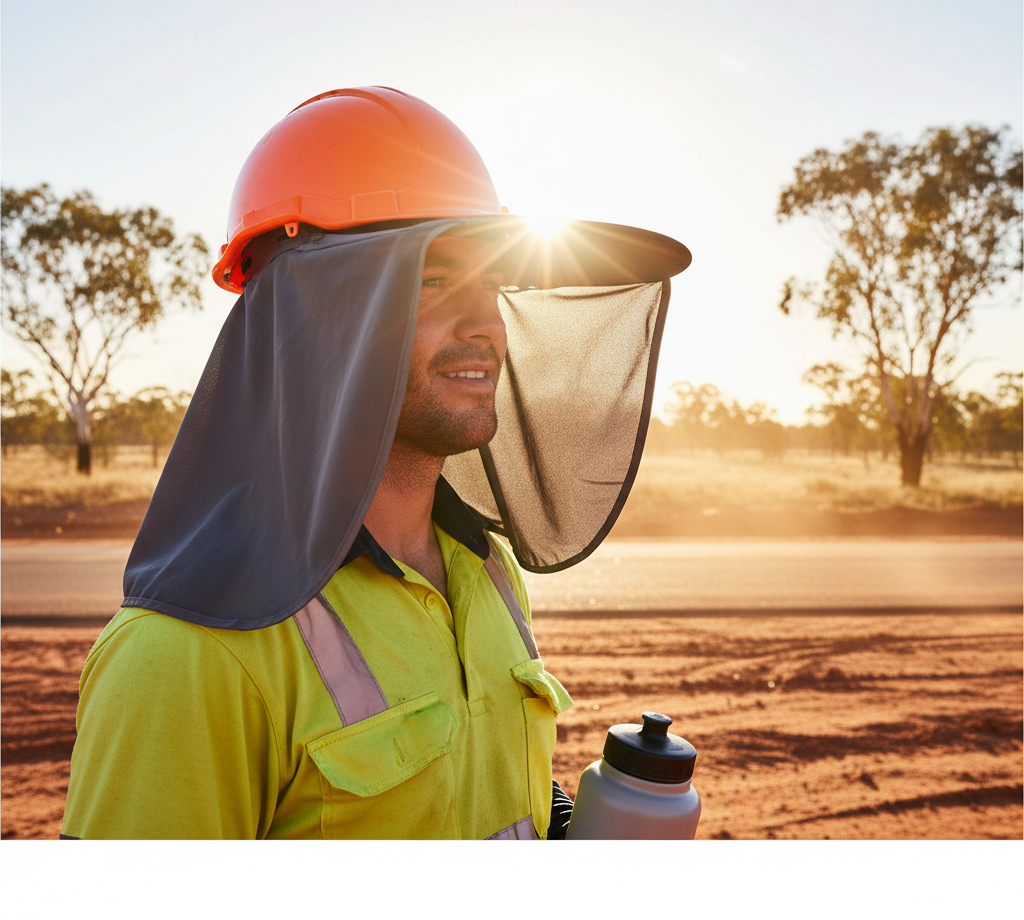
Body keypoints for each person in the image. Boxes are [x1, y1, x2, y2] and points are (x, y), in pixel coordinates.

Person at [61, 87, 690, 839]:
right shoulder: (184, 652)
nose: (488, 323)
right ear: (309, 311)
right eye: (429, 280)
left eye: (492, 283)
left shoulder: (487, 573)